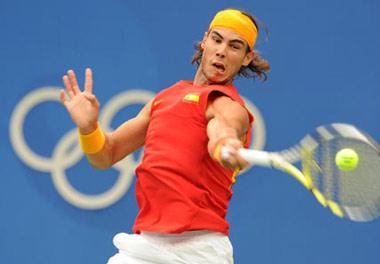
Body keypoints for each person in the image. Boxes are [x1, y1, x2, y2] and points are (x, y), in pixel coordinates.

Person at [60, 8, 270, 264]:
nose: (222, 51)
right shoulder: (164, 99)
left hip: (198, 251)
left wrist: (225, 146)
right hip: (145, 245)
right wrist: (88, 128)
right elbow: (106, 155)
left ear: (247, 58)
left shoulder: (228, 105)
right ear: (205, 40)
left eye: (235, 46)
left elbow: (223, 130)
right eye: (217, 39)